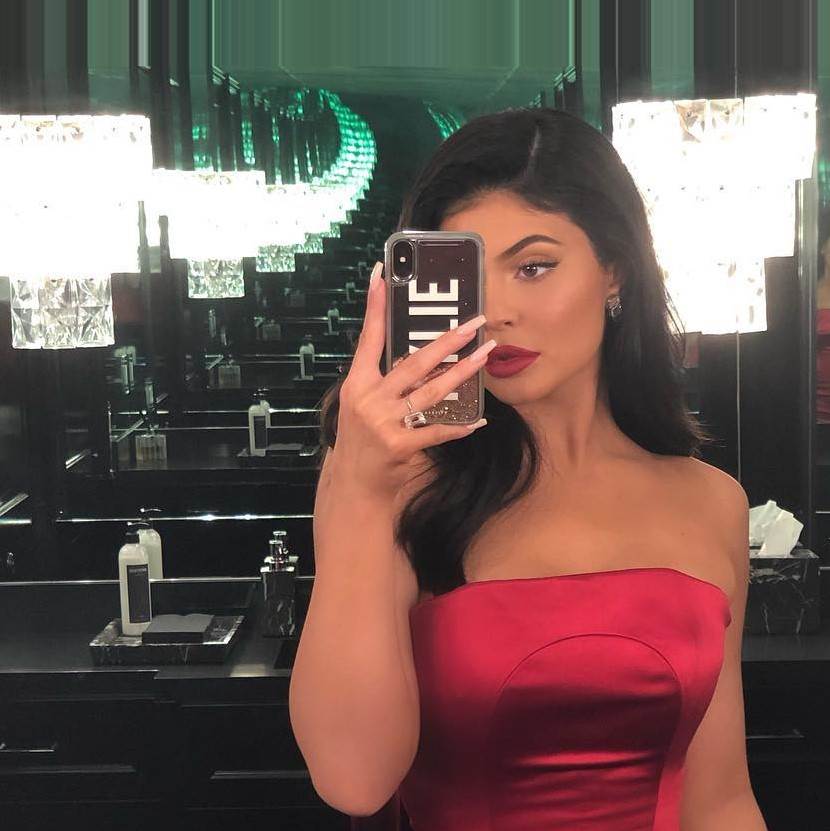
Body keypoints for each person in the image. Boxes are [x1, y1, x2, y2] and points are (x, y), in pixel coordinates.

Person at [289, 107, 766, 830]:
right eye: (468, 277)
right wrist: (357, 487)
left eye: (533, 267)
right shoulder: (396, 487)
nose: (495, 312)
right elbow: (353, 780)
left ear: (615, 270)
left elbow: (720, 797)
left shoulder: (712, 502)